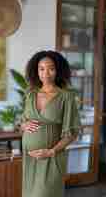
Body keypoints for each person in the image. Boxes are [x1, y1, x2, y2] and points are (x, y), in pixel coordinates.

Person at [20, 50, 81, 197]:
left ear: (57, 71)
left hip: (51, 157)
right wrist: (23, 126)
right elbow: (23, 122)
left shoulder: (66, 97)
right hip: (29, 158)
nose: (46, 73)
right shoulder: (30, 94)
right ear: (36, 71)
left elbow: (72, 133)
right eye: (41, 69)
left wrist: (51, 151)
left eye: (51, 68)